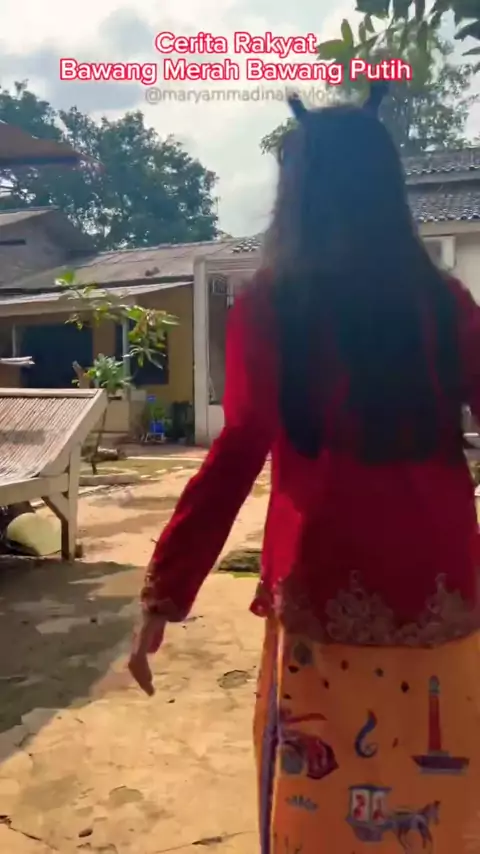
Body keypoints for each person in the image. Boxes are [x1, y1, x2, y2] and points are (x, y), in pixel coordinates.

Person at [128, 85, 480, 852]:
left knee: (320, 814)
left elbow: (235, 454)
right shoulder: (445, 305)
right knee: (437, 813)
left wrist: (166, 591)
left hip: (321, 594)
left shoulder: (272, 309)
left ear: (298, 193)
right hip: (441, 596)